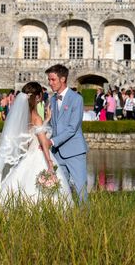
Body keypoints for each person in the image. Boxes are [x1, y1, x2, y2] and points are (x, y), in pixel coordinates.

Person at [0, 82, 72, 206]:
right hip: (39, 154)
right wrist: (49, 161)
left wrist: (47, 120)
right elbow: (43, 141)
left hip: (29, 153)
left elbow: (33, 132)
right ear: (38, 97)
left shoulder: (25, 115)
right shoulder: (36, 117)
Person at [46, 63, 88, 203]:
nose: (50, 83)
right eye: (49, 80)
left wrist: (51, 141)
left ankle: (86, 221)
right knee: (60, 191)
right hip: (57, 153)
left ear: (63, 79)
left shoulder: (76, 99)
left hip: (74, 152)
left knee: (81, 190)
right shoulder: (52, 99)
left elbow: (72, 128)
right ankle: (64, 221)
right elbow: (52, 126)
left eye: (53, 80)